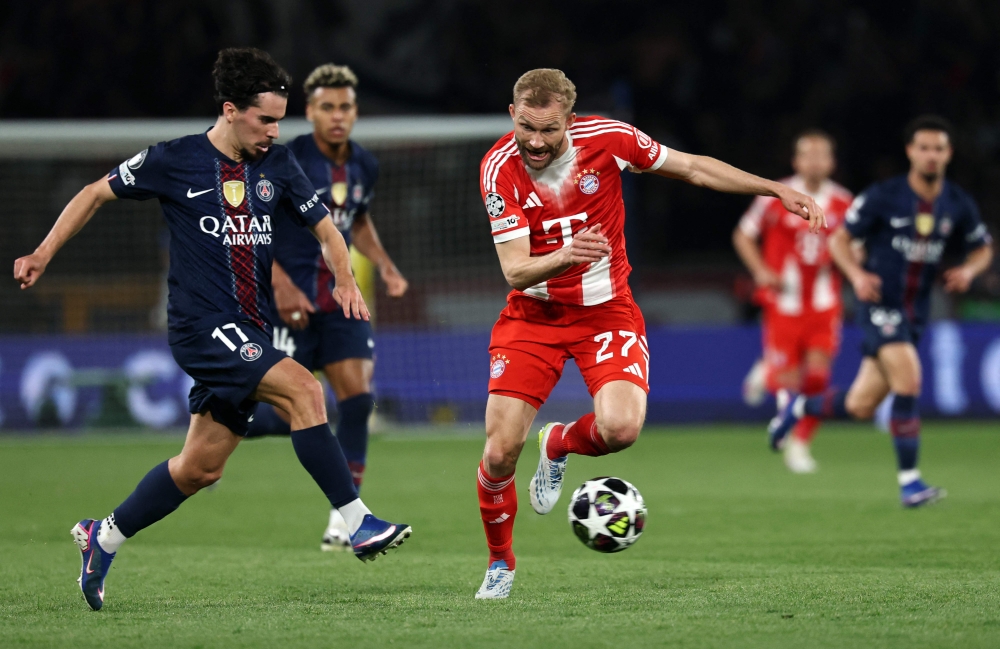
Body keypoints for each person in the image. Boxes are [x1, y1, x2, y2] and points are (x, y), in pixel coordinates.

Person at [13, 48, 411, 612]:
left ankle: (101, 538)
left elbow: (327, 227)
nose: (275, 131)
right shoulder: (174, 160)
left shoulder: (277, 164)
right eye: (265, 119)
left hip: (251, 328)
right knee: (304, 389)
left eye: (279, 120)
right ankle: (357, 521)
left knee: (199, 468)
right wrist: (43, 251)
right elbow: (94, 193)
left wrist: (345, 279)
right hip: (202, 327)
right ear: (230, 110)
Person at [475, 68, 826, 599]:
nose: (537, 142)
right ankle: (501, 564)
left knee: (621, 430)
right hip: (533, 316)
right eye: (527, 127)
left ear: (570, 120)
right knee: (500, 452)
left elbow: (693, 169)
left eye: (549, 130)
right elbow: (515, 271)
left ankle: (558, 441)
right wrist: (570, 255)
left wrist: (774, 189)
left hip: (606, 312)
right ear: (512, 115)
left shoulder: (609, 139)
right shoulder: (498, 169)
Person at [769, 115, 993, 506]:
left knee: (860, 405)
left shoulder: (956, 203)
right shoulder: (883, 196)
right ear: (910, 151)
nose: (931, 155)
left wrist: (971, 270)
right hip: (878, 305)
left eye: (938, 148)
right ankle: (911, 482)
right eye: (923, 147)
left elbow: (982, 246)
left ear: (949, 154)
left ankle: (799, 406)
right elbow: (840, 241)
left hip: (915, 313)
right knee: (909, 382)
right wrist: (856, 275)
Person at [244, 63, 409, 553]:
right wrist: (280, 285)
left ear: (355, 112)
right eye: (327, 108)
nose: (338, 117)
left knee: (357, 401)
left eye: (346, 107)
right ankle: (219, 423)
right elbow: (251, 226)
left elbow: (355, 220)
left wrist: (384, 264)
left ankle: (347, 516)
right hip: (288, 302)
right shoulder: (284, 159)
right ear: (310, 112)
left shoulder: (365, 164)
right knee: (284, 411)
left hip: (340, 298)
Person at [733, 131, 853, 473]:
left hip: (824, 304)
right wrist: (760, 270)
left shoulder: (845, 203)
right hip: (783, 303)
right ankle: (774, 385)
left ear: (831, 162)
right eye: (807, 155)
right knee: (787, 379)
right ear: (796, 160)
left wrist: (853, 263)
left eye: (821, 155)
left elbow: (856, 246)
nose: (814, 161)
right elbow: (743, 234)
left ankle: (800, 442)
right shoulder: (776, 195)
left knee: (817, 378)